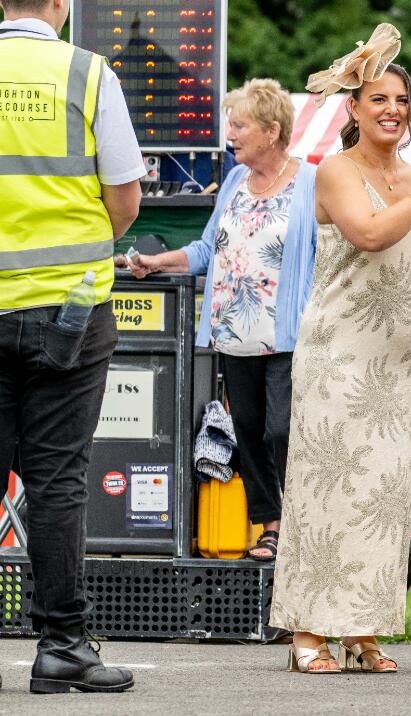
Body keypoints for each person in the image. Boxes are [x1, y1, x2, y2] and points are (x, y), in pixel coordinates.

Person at [268, 23, 411, 674]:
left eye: (401, 101)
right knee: (327, 493)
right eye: (379, 100)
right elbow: (366, 235)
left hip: (396, 365)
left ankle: (363, 628)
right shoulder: (334, 172)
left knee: (384, 499)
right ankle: (309, 631)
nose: (393, 110)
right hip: (338, 357)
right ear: (354, 109)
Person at [0, 0, 143, 693]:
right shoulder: (89, 74)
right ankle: (61, 646)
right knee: (56, 484)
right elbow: (124, 196)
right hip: (69, 311)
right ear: (59, 5)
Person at [129, 79, 318, 562]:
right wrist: (159, 262)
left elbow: (326, 254)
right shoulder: (233, 181)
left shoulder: (311, 182)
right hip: (233, 334)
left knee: (281, 429)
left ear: (272, 131)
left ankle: (306, 524)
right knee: (249, 431)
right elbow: (207, 249)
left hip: (288, 336)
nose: (228, 133)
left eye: (239, 125)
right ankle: (271, 527)